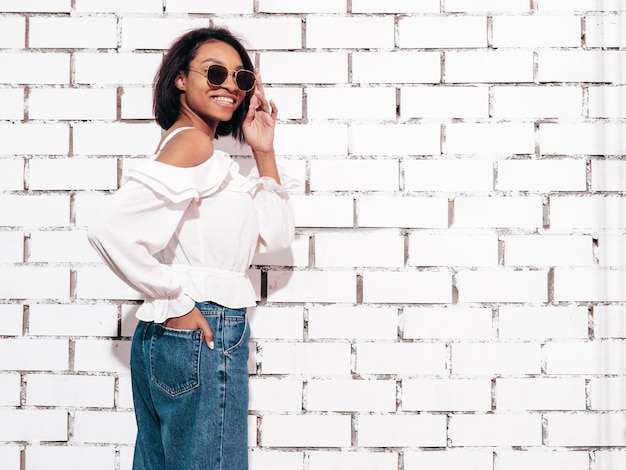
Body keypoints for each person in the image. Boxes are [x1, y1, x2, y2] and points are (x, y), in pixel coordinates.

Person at [88, 27, 295, 470]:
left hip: (172, 339)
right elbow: (108, 228)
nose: (229, 86)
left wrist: (264, 151)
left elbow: (275, 237)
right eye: (215, 71)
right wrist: (175, 300)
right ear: (180, 78)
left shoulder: (205, 157)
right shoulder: (194, 144)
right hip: (202, 329)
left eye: (241, 79)